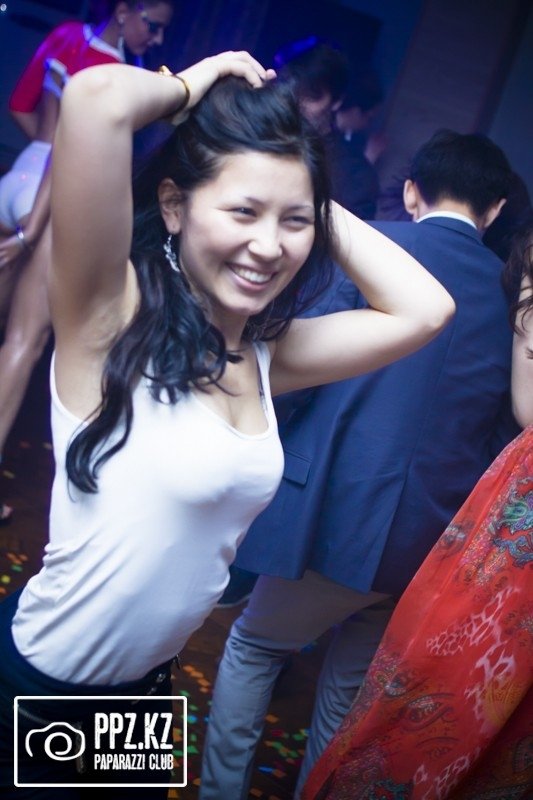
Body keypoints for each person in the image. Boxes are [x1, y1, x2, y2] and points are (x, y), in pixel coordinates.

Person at [0, 49, 454, 796]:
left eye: (292, 223)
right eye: (242, 212)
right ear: (174, 206)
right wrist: (193, 85)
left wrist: (299, 191)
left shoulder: (267, 357)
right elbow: (94, 99)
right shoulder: (111, 321)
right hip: (41, 685)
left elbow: (425, 310)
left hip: (145, 689)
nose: (268, 246)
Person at [200, 130, 518, 799]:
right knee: (347, 690)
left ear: (412, 192)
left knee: (255, 647)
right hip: (429, 535)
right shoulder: (505, 292)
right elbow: (498, 429)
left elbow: (293, 372)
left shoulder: (370, 251)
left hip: (332, 511)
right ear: (492, 211)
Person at [301, 225, 533, 800]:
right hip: (454, 528)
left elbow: (526, 408)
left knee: (441, 698)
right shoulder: (496, 280)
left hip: (503, 534)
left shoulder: (406, 254)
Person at [0, 0, 175, 524]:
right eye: (153, 26)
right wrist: (34, 229)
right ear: (125, 10)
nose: (156, 39)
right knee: (23, 343)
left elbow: (22, 108)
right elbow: (66, 150)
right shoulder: (115, 72)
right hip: (49, 197)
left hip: (19, 175)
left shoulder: (66, 37)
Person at [275, 38, 379, 220]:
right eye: (290, 91)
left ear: (337, 101)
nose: (297, 104)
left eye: (311, 96)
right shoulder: (251, 137)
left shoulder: (356, 174)